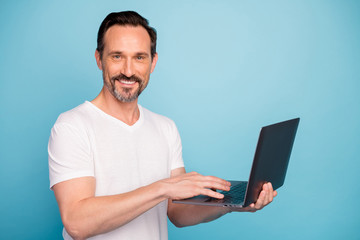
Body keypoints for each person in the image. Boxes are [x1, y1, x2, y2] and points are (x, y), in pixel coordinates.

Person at [48, 11, 277, 240]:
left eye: (139, 57)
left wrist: (234, 204)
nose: (128, 71)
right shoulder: (72, 126)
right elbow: (77, 223)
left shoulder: (165, 128)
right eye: (117, 56)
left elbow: (177, 212)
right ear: (99, 59)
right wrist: (162, 188)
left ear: (153, 62)